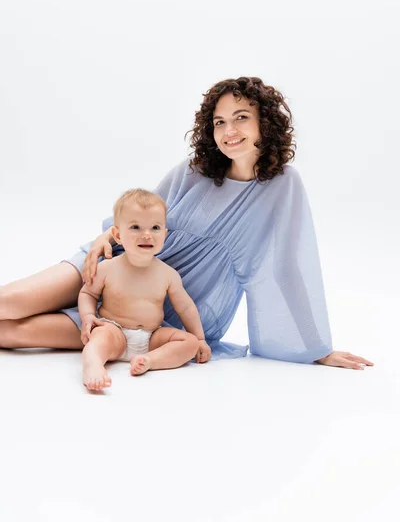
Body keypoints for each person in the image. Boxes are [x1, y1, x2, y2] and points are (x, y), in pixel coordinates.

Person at [0, 77, 373, 370]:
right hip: (113, 264)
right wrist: (103, 236)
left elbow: (289, 268)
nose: (229, 131)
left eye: (241, 118)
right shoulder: (195, 171)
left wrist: (315, 349)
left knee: (13, 334)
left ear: (265, 124)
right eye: (219, 122)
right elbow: (139, 213)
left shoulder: (283, 186)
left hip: (158, 315)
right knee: (11, 302)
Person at [79, 188, 211, 391]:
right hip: (115, 331)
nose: (147, 234)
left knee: (189, 343)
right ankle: (93, 365)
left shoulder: (168, 274)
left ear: (164, 234)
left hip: (151, 336)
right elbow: (88, 293)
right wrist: (88, 316)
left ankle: (149, 361)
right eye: (136, 227)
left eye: (155, 227)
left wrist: (200, 339)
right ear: (117, 235)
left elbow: (185, 308)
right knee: (98, 341)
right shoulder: (108, 267)